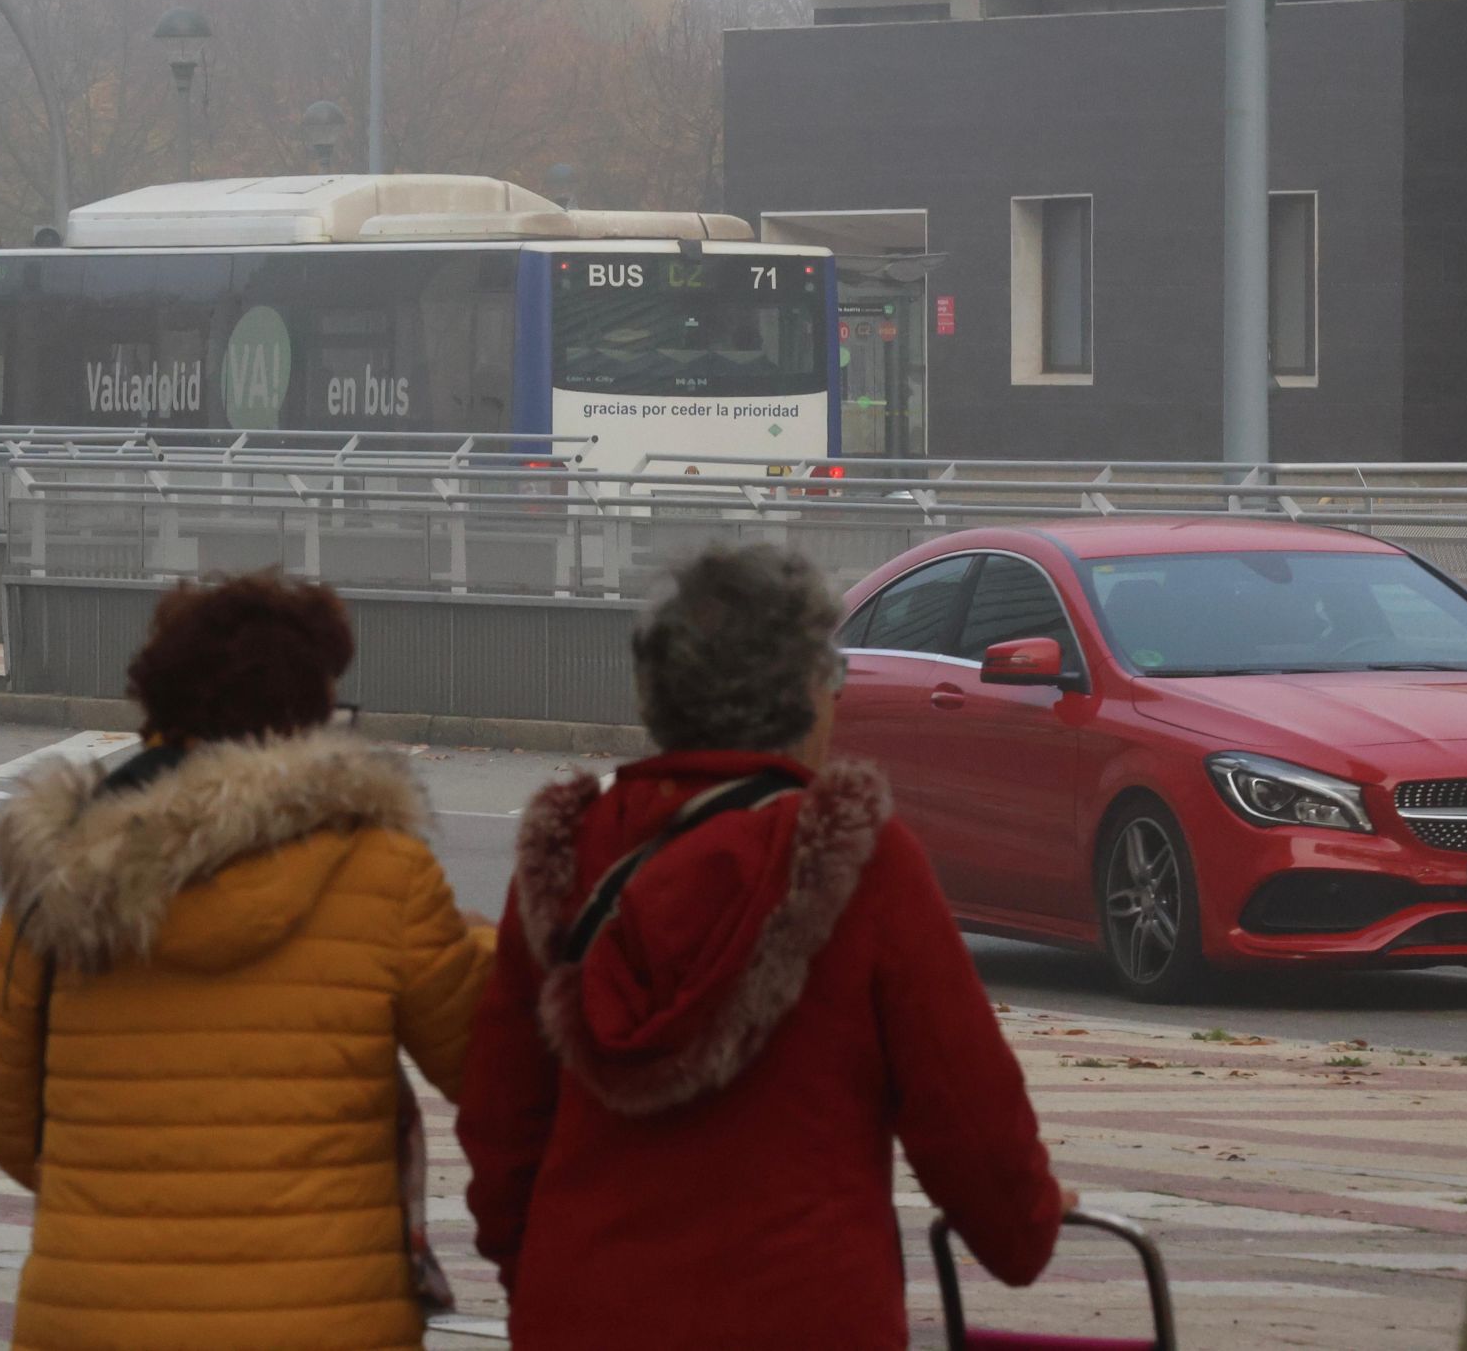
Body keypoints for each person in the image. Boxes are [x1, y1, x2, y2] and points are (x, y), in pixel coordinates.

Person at [457, 544, 1070, 1350]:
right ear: (807, 696)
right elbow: (969, 1115)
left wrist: (538, 1274)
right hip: (805, 1311)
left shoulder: (573, 861)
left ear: (657, 693)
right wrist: (1023, 1231)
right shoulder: (861, 864)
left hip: (587, 1308)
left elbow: (503, 1118)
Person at [0, 573, 491, 1351]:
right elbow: (486, 1061)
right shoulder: (381, 872)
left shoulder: (62, 872)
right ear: (307, 715)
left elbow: (4, 1110)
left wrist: (121, 1198)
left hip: (94, 1312)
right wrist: (490, 940)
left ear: (158, 703)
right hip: (323, 1317)